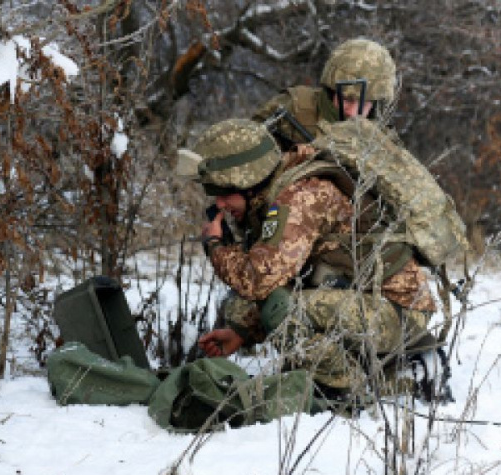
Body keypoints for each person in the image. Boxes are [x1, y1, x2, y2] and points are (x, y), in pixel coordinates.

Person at [184, 118, 436, 398]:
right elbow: (279, 280)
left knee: (284, 312)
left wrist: (216, 245)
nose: (218, 204)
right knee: (247, 307)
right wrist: (241, 332)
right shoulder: (278, 191)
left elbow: (257, 280)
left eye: (223, 192)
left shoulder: (302, 197)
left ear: (248, 180)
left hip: (398, 310)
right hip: (362, 299)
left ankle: (349, 389)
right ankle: (361, 368)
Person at [253, 38, 397, 151]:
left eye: (363, 103)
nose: (353, 112)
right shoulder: (294, 107)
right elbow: (243, 150)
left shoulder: (381, 142)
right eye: (347, 99)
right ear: (331, 90)